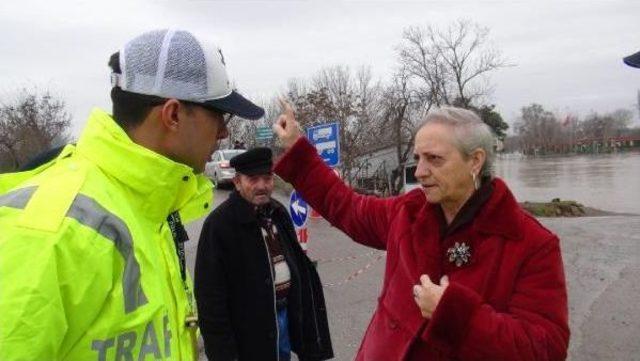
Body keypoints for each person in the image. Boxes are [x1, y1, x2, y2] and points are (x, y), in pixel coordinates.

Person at [0, 28, 264, 360]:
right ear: (172, 115)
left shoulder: (152, 207)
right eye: (219, 116)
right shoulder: (48, 229)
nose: (225, 132)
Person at [272, 102, 570, 360]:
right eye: (418, 158)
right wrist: (298, 148)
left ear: (475, 161)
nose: (419, 171)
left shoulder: (531, 243)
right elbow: (346, 207)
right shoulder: (408, 212)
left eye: (434, 159)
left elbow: (545, 348)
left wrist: (455, 315)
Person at [194, 147, 333, 361]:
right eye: (253, 179)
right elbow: (210, 301)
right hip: (249, 330)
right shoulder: (219, 226)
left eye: (267, 178)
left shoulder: (278, 212)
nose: (262, 186)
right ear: (237, 182)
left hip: (285, 315)